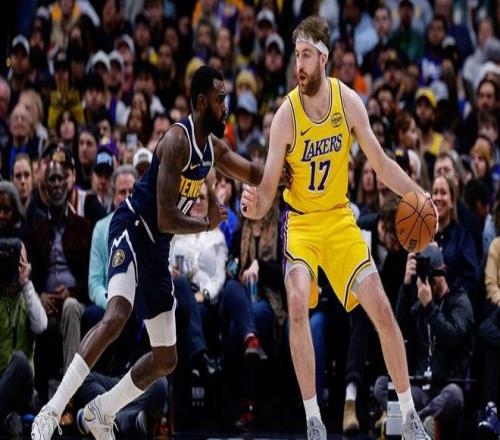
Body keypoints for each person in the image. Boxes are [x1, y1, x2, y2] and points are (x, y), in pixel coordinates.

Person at [32, 65, 264, 440]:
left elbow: (253, 172)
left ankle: (102, 411)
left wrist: (285, 172)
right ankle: (52, 410)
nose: (226, 106)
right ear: (201, 101)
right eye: (220, 99)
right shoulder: (176, 141)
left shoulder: (212, 148)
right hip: (133, 226)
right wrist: (206, 223)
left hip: (157, 247)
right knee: (117, 314)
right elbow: (165, 216)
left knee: (166, 357)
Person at [240, 16, 435, 439]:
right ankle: (314, 420)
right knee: (297, 303)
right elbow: (268, 190)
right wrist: (252, 207)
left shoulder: (348, 102)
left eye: (307, 55)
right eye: (297, 55)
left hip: (340, 219)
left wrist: (418, 193)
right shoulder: (285, 116)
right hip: (301, 224)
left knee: (381, 308)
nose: (299, 65)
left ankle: (409, 418)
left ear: (324, 57)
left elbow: (381, 164)